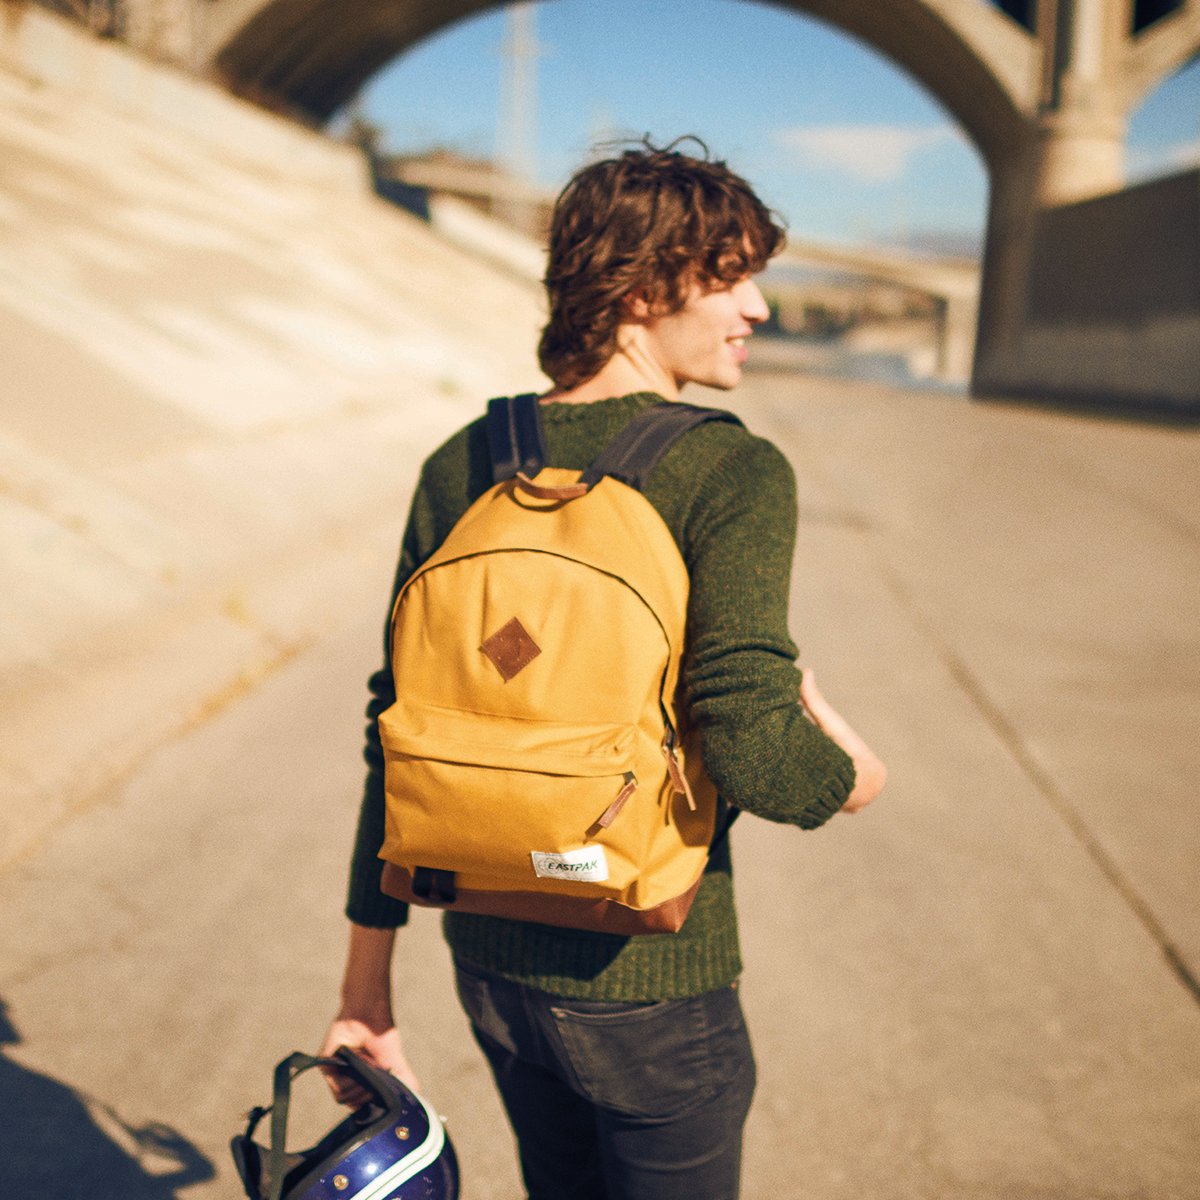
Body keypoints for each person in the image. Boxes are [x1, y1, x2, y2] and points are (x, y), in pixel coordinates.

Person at [321, 138, 887, 1200]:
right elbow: (757, 746)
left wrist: (367, 991)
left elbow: (388, 730)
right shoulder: (730, 467)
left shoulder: (465, 461)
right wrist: (856, 775)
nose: (758, 307)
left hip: (487, 963)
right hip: (650, 979)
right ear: (638, 291)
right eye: (730, 277)